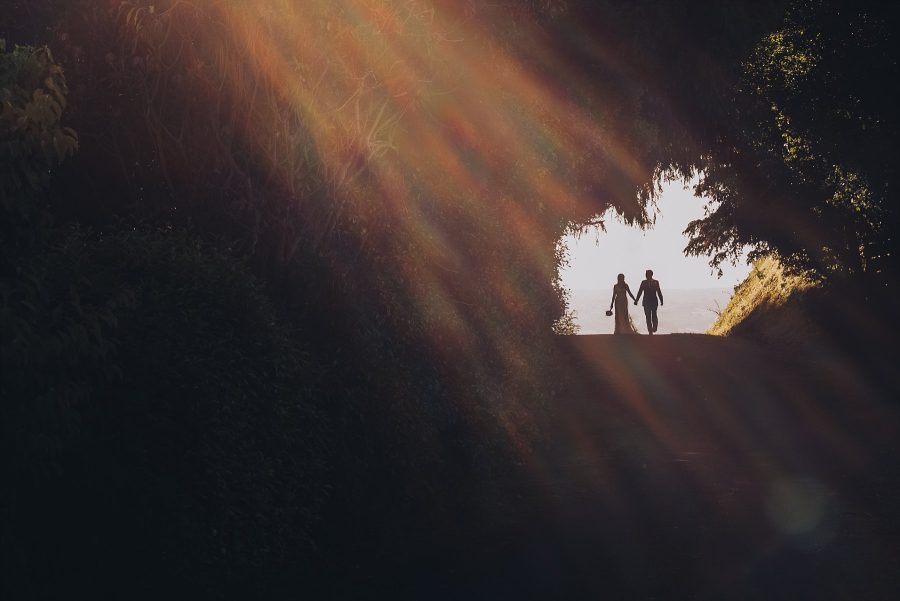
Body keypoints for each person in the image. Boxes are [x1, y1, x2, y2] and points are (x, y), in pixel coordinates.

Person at [634, 269, 664, 334]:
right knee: (648, 316)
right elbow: (640, 291)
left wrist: (661, 300)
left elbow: (659, 291)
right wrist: (636, 300)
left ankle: (655, 327)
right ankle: (650, 330)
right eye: (646, 274)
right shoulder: (643, 282)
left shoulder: (656, 282)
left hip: (654, 301)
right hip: (646, 301)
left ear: (651, 275)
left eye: (648, 274)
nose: (646, 275)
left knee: (654, 315)